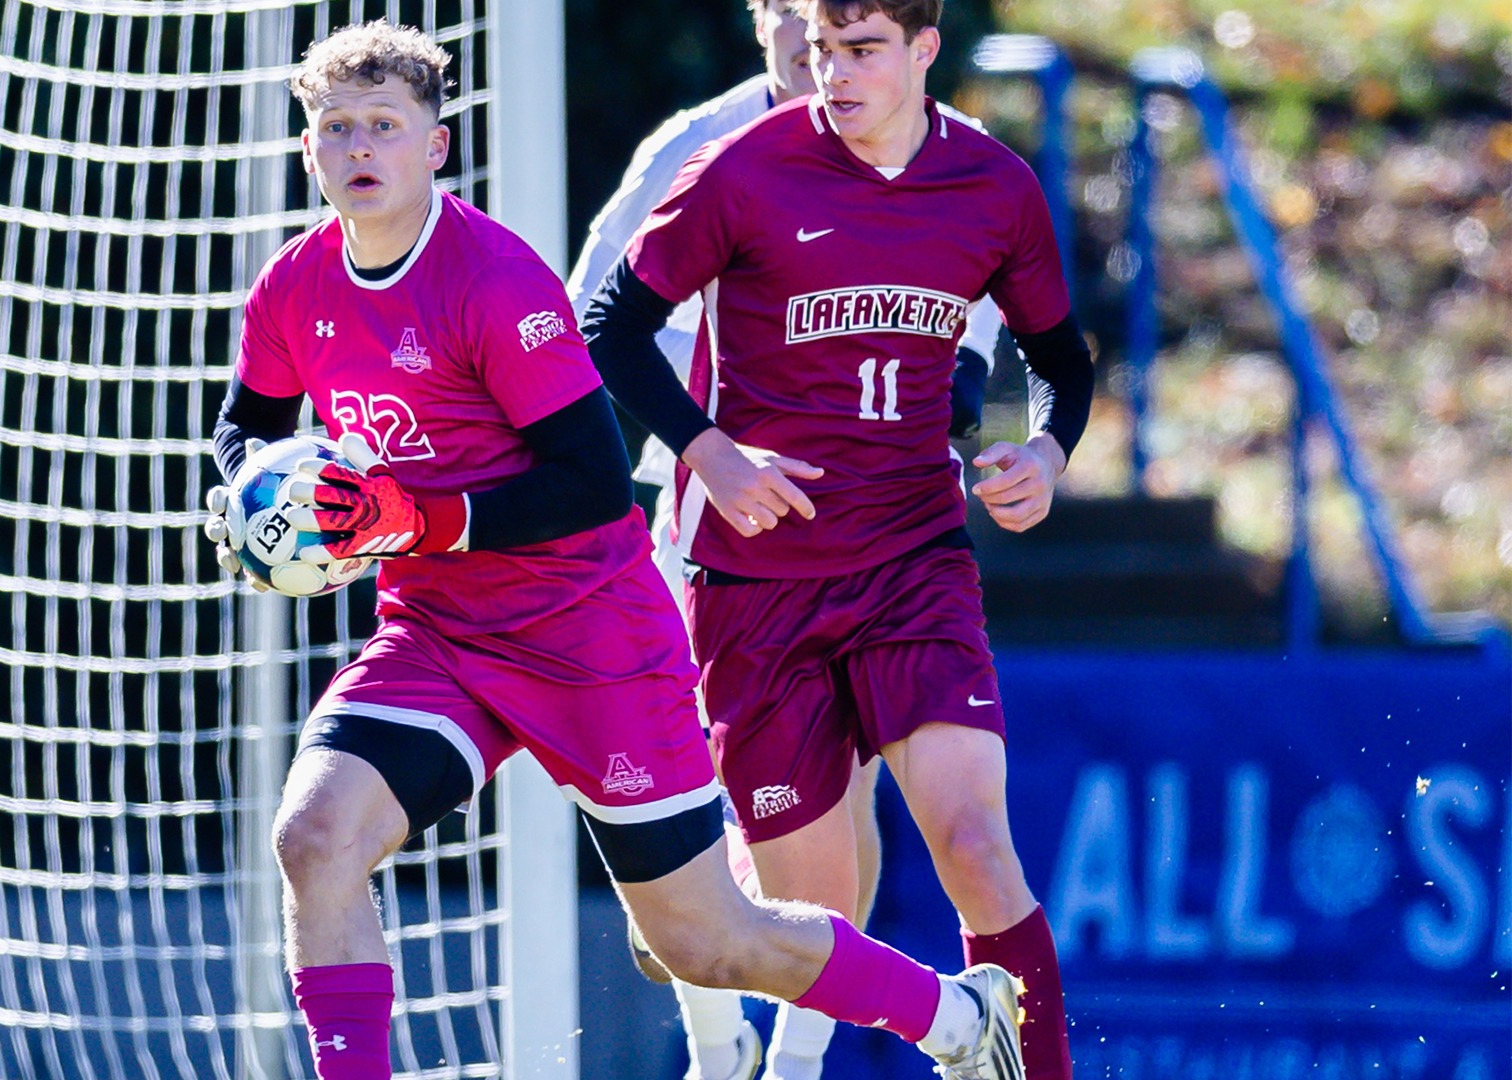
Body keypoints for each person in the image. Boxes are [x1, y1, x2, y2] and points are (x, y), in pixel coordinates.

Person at [206, 20, 1029, 1080]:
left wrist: (413, 518)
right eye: (335, 129)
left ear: (434, 146)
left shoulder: (495, 283)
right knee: (314, 837)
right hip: (437, 634)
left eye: (383, 125)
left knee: (708, 936)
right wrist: (258, 496)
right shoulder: (293, 287)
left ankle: (954, 1017)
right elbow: (248, 427)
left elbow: (591, 484)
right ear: (310, 150)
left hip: (591, 637)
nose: (358, 147)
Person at [581, 2, 1093, 1080]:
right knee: (795, 913)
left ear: (923, 51)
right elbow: (605, 322)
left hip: (912, 565)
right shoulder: (731, 163)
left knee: (975, 846)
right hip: (750, 578)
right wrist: (707, 448)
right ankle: (724, 1005)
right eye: (818, 49)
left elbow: (1055, 353)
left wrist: (1042, 456)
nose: (831, 74)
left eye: (859, 51)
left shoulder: (990, 184)